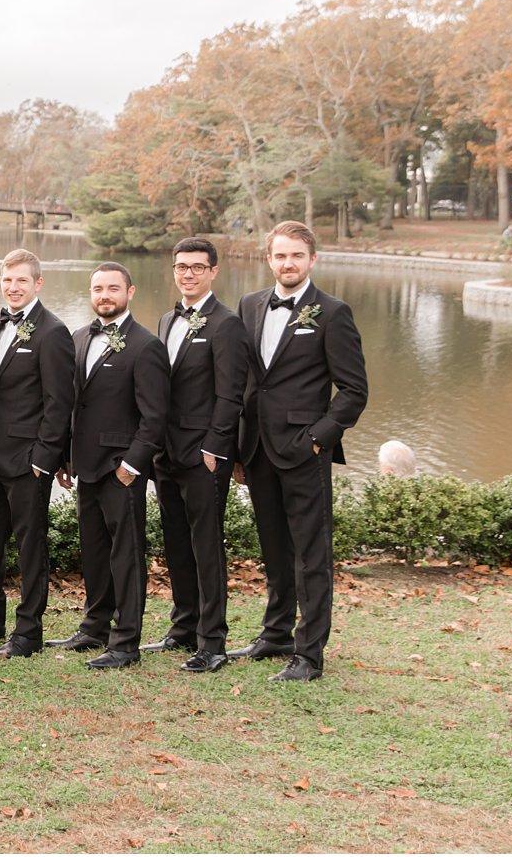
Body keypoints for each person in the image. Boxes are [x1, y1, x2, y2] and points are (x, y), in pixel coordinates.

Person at [232, 220, 368, 683]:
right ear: (268, 259)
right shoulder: (249, 305)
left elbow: (353, 390)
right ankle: (275, 634)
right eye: (279, 255)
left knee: (311, 554)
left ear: (312, 259)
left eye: (295, 256)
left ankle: (309, 654)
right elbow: (246, 380)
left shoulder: (332, 312)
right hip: (256, 449)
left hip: (304, 450)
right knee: (273, 546)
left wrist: (318, 438)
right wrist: (235, 446)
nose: (286, 263)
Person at [53, 262, 169, 671]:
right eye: (98, 288)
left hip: (121, 468)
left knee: (126, 555)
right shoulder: (79, 337)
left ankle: (126, 642)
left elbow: (154, 417)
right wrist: (65, 457)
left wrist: (132, 465)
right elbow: (73, 405)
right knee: (95, 551)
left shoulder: (146, 345)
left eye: (113, 289)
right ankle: (94, 627)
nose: (104, 295)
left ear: (130, 292)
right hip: (85, 465)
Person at [144, 238, 245, 674]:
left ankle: (213, 642)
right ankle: (182, 627)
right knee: (176, 543)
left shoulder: (226, 324)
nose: (188, 273)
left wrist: (215, 448)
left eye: (197, 267)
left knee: (206, 546)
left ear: (213, 272)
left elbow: (231, 394)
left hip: (203, 455)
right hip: (165, 451)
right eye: (181, 266)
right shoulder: (168, 319)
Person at [0, 249, 75, 657]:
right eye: (8, 281)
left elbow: (58, 402)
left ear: (38, 283)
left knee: (30, 545)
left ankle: (28, 632)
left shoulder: (53, 332)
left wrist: (43, 458)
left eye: (21, 281)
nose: (13, 288)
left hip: (29, 459)